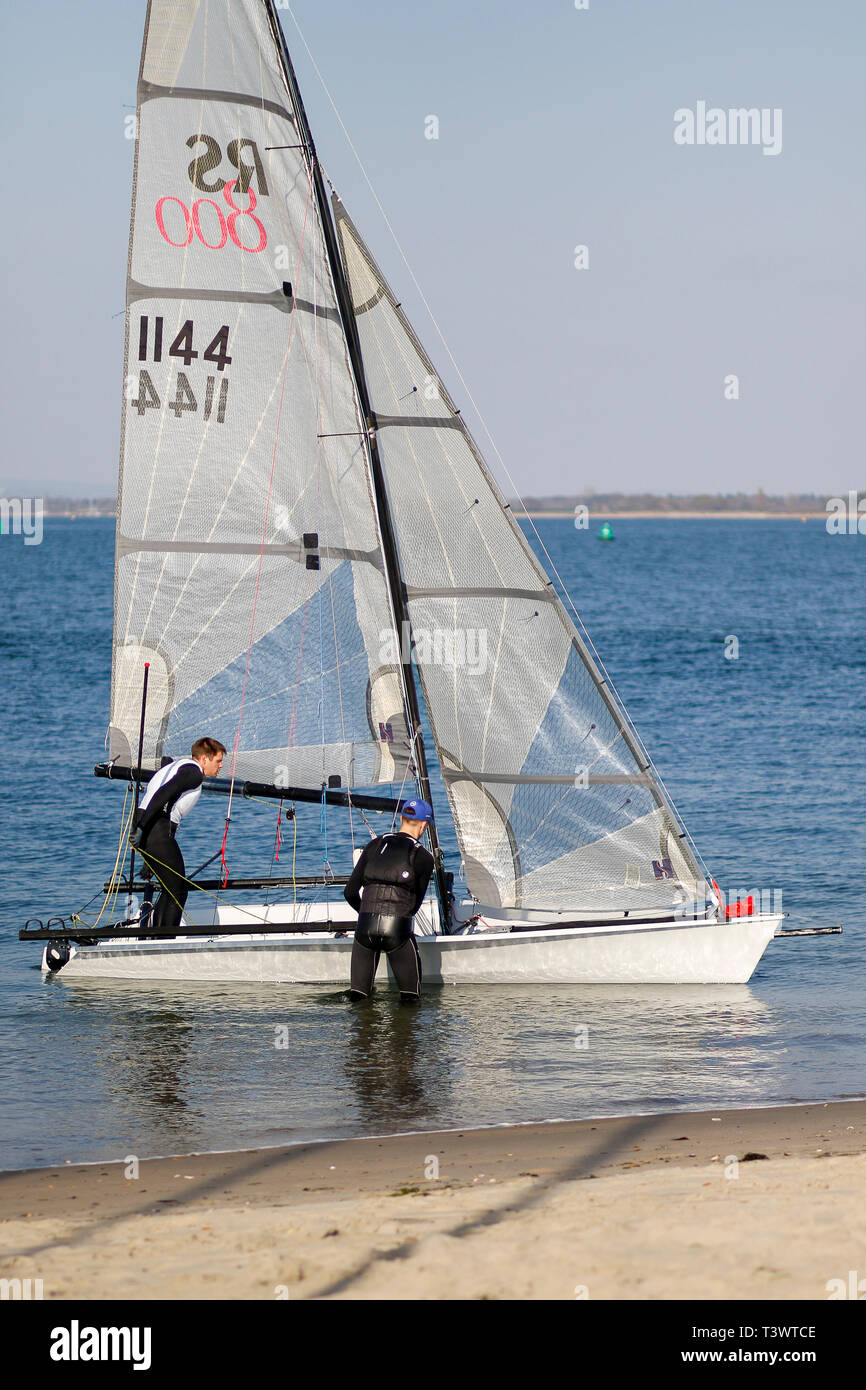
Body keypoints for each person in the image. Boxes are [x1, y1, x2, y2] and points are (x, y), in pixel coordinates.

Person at [129, 738, 226, 932]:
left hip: (151, 827)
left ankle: (157, 940)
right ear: (205, 759)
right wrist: (141, 828)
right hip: (153, 826)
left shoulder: (175, 766)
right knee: (178, 890)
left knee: (170, 889)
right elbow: (164, 793)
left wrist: (148, 857)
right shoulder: (194, 773)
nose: (221, 766)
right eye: (218, 761)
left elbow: (162, 799)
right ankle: (164, 943)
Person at [344, 798, 435, 1002]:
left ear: (402, 818)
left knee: (358, 999)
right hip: (397, 929)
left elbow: (349, 892)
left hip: (365, 927)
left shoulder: (374, 844)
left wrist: (367, 914)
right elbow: (413, 906)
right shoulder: (424, 857)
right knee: (410, 1000)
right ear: (424, 826)